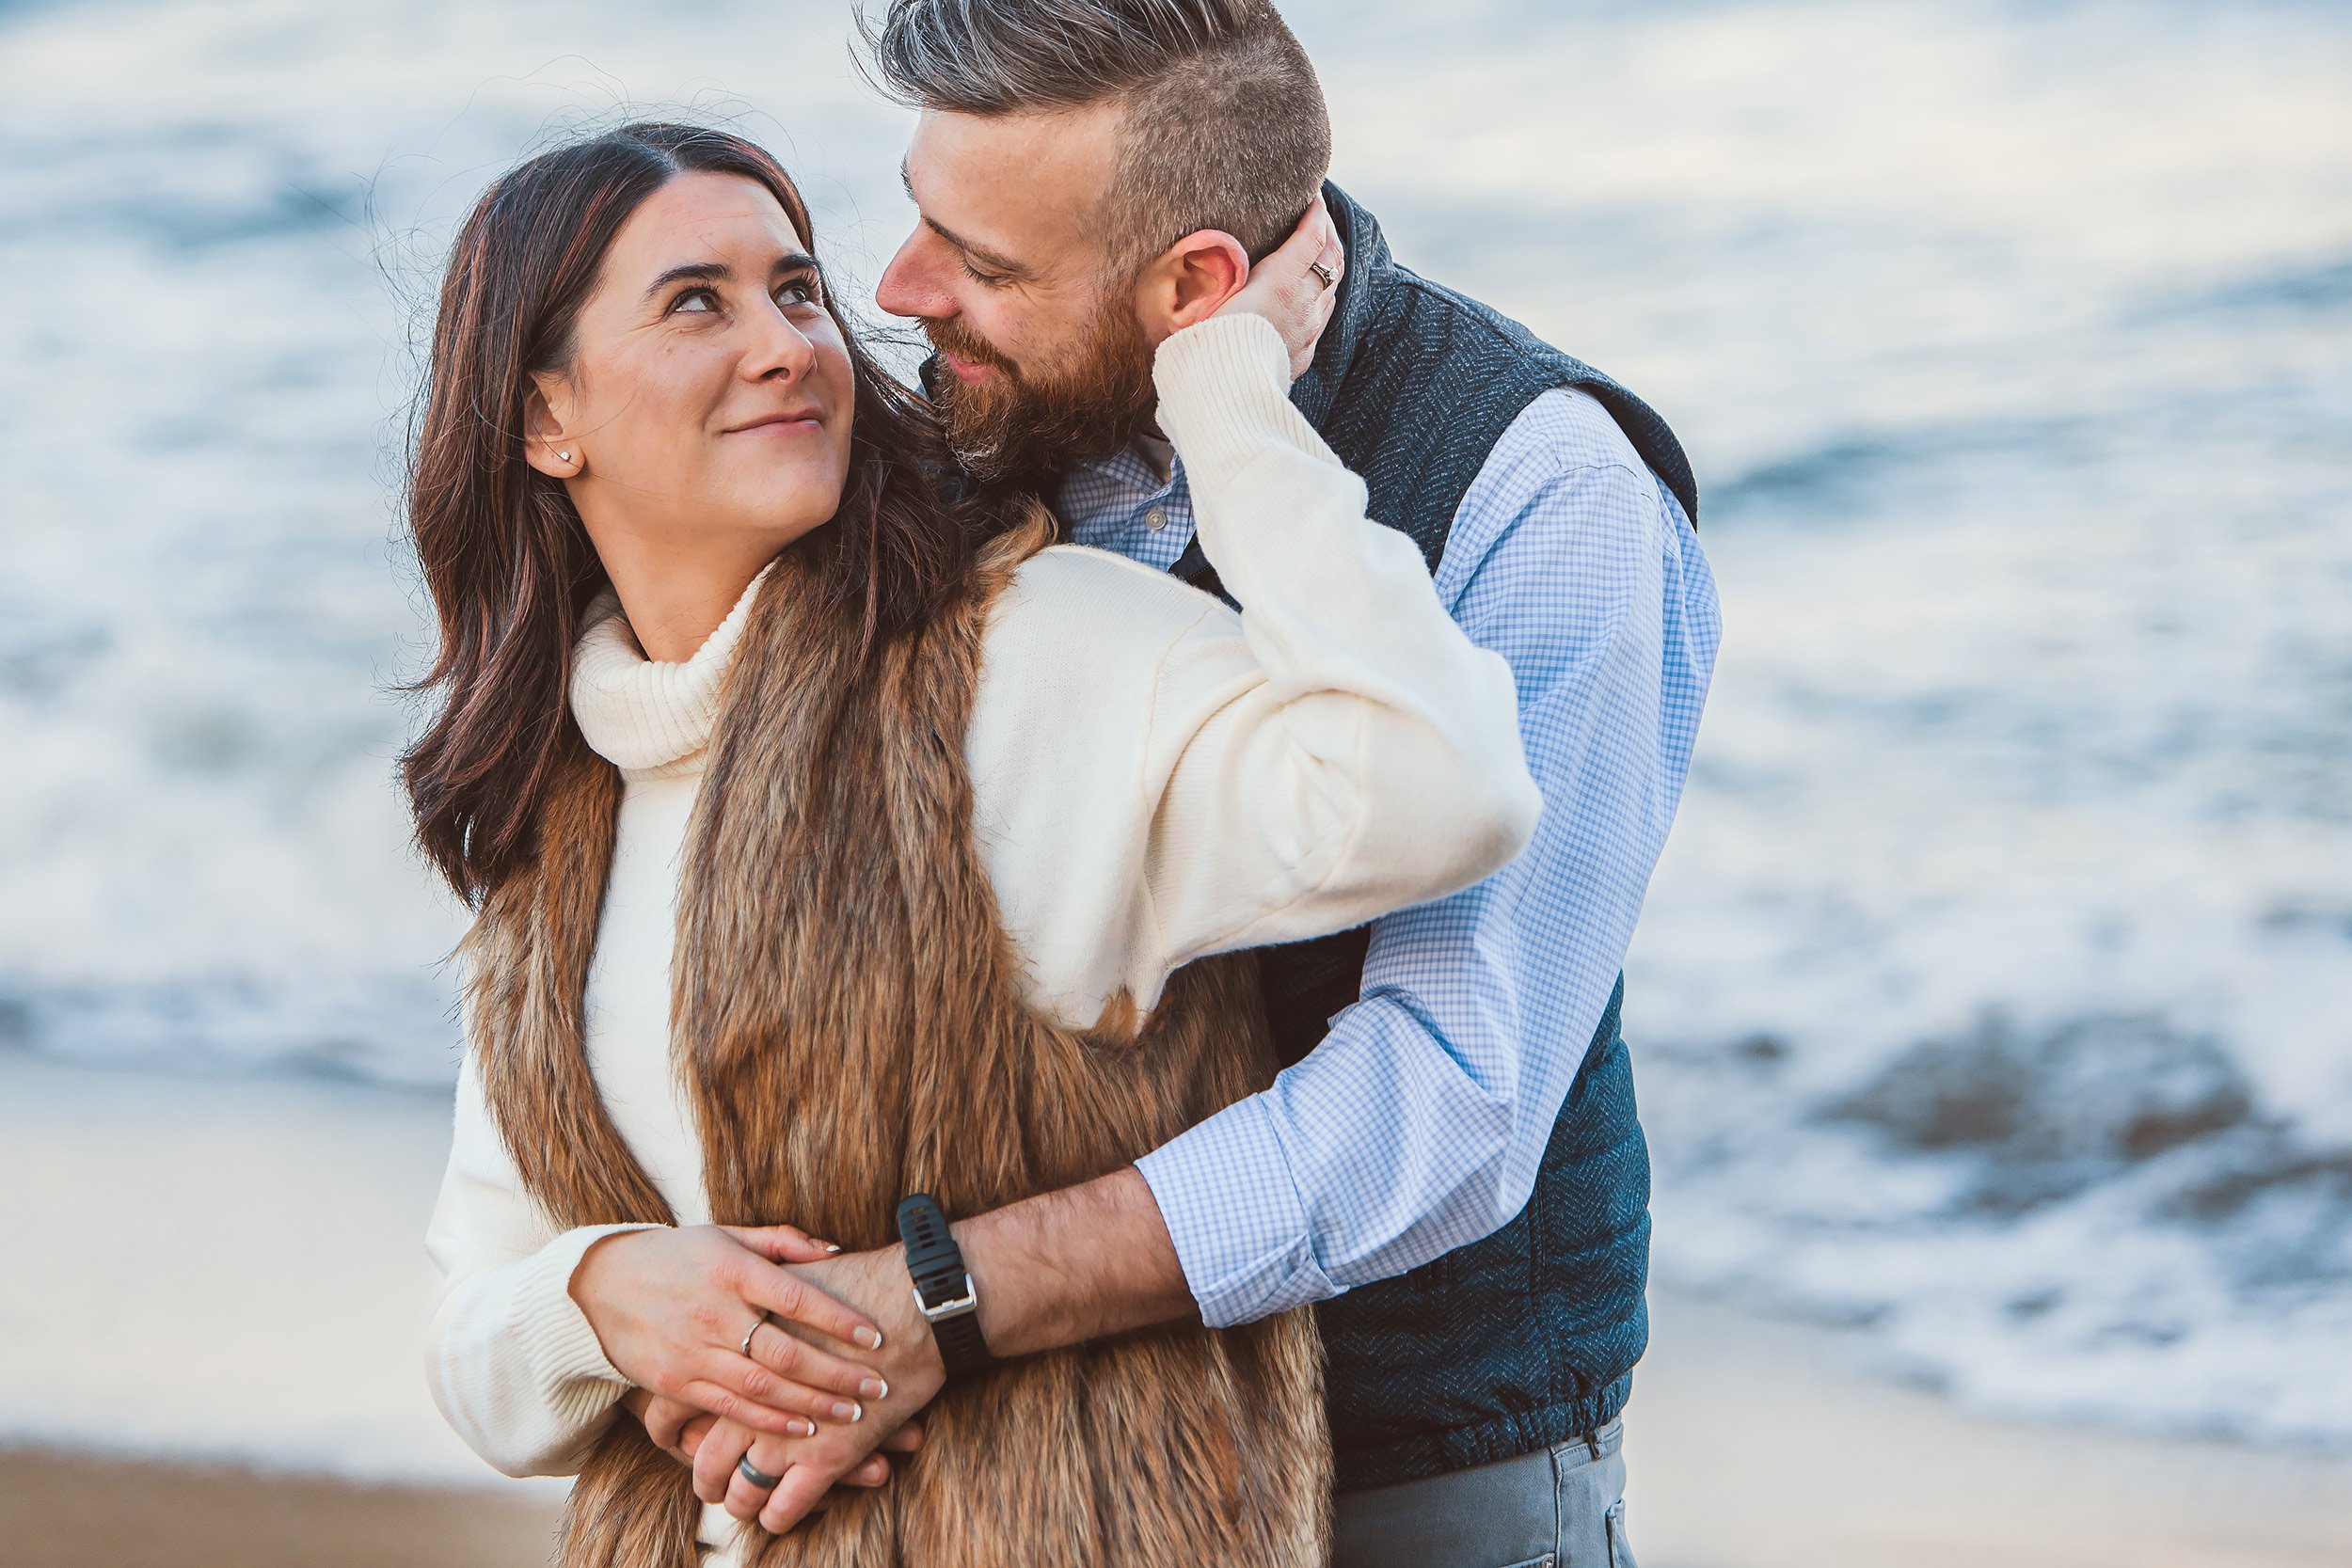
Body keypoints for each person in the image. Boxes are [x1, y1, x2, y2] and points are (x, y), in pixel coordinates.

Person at [638, 6, 1723, 1566]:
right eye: (922, 216)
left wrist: (944, 1297)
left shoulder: (1546, 493)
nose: (898, 292)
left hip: (1402, 1458)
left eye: (984, 264)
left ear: (1195, 290)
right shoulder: (960, 425)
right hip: (992, 1462)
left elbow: (1451, 1102)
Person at [413, 121, 1542, 1565]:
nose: (786, 345)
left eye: (799, 291)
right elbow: (472, 1342)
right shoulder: (547, 814)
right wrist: (603, 1297)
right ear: (541, 418)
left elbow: (1443, 785)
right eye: (699, 301)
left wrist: (1223, 388)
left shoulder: (1030, 655)